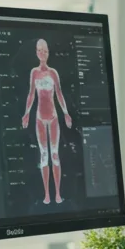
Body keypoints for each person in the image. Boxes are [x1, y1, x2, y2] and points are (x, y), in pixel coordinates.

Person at [21, 39, 73, 204]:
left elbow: (59, 94)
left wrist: (66, 113)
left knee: (55, 154)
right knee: (44, 155)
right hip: (39, 118)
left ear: (48, 52)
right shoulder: (34, 73)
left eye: (45, 50)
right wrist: (26, 113)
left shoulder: (53, 73)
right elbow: (31, 95)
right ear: (36, 52)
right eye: (39, 50)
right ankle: (47, 195)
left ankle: (57, 193)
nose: (42, 53)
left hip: (53, 118)